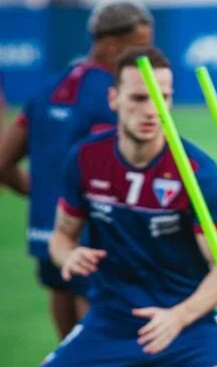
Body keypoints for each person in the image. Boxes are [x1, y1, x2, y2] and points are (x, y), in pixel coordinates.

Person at [4, 46, 217, 367]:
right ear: (114, 98)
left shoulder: (196, 171)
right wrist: (68, 257)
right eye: (139, 97)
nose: (152, 110)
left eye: (163, 97)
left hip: (186, 325)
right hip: (109, 321)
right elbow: (61, 237)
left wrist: (179, 317)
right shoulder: (86, 158)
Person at [0, 0, 153, 339]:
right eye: (141, 46)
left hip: (46, 232)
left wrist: (43, 197)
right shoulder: (115, 98)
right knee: (95, 348)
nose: (148, 56)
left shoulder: (46, 89)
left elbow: (3, 161)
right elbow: (119, 168)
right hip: (94, 237)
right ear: (112, 45)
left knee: (67, 344)